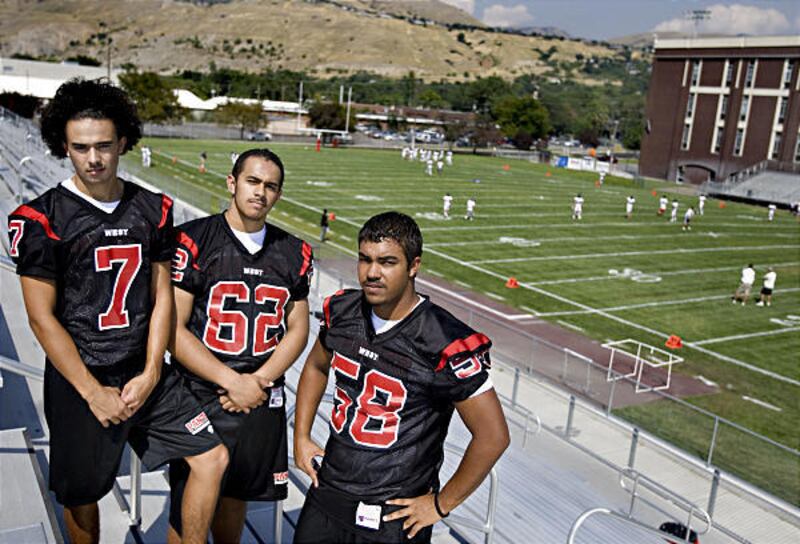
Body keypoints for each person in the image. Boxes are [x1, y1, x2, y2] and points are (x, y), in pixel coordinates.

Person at [7, 78, 228, 544]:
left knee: (212, 457)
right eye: (81, 147)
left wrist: (151, 371)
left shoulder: (152, 208)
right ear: (62, 146)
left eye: (104, 145)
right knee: (83, 497)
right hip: (80, 377)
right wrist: (91, 392)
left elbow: (162, 294)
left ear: (123, 140)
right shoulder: (41, 218)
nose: (94, 158)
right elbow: (40, 318)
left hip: (143, 367)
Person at [293, 212, 509, 544]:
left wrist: (441, 504)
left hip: (393, 513)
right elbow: (316, 367)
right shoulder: (344, 310)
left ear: (413, 265)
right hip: (330, 490)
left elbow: (493, 436)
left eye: (387, 262)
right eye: (365, 260)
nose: (372, 273)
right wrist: (301, 436)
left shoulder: (444, 340)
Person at [168, 148, 313, 543]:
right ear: (232, 183)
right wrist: (231, 381)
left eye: (271, 186)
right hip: (201, 389)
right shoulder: (195, 239)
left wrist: (259, 380)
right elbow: (172, 329)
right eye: (253, 181)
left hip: (259, 394)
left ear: (278, 194)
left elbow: (297, 327)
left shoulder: (294, 251)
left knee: (237, 494)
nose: (260, 193)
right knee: (188, 503)